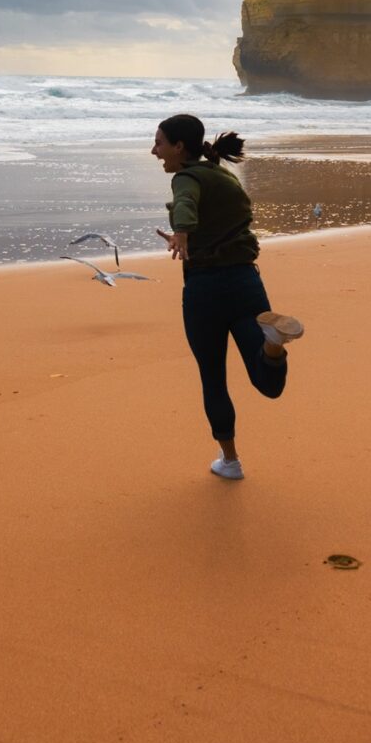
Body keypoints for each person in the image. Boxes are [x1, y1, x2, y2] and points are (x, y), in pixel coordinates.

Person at [152, 113, 298, 481]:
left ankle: (230, 461)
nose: (155, 151)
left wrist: (182, 230)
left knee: (213, 377)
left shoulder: (186, 177)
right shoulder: (222, 175)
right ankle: (274, 346)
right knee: (268, 383)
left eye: (159, 143)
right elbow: (218, 222)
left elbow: (185, 202)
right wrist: (185, 237)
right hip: (246, 283)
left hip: (205, 291)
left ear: (179, 146)